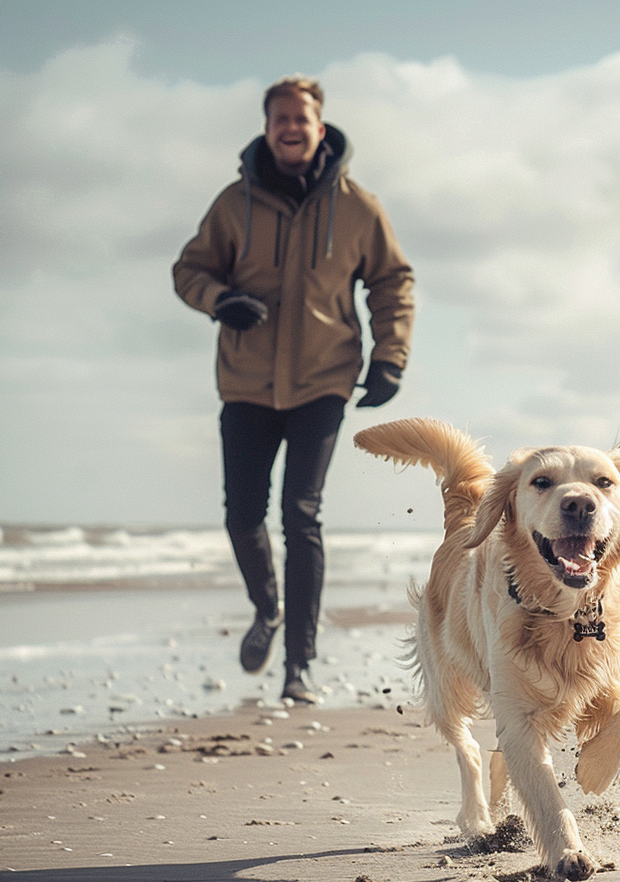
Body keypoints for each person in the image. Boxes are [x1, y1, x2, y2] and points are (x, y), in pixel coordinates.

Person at [173, 75, 414, 703]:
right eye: (278, 117)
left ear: (318, 124)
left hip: (321, 379)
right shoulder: (234, 204)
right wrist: (219, 299)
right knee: (243, 515)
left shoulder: (359, 207)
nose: (289, 127)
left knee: (300, 515)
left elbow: (392, 280)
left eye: (299, 118)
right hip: (247, 382)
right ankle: (267, 609)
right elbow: (189, 269)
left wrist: (389, 359)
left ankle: (298, 667)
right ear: (266, 125)